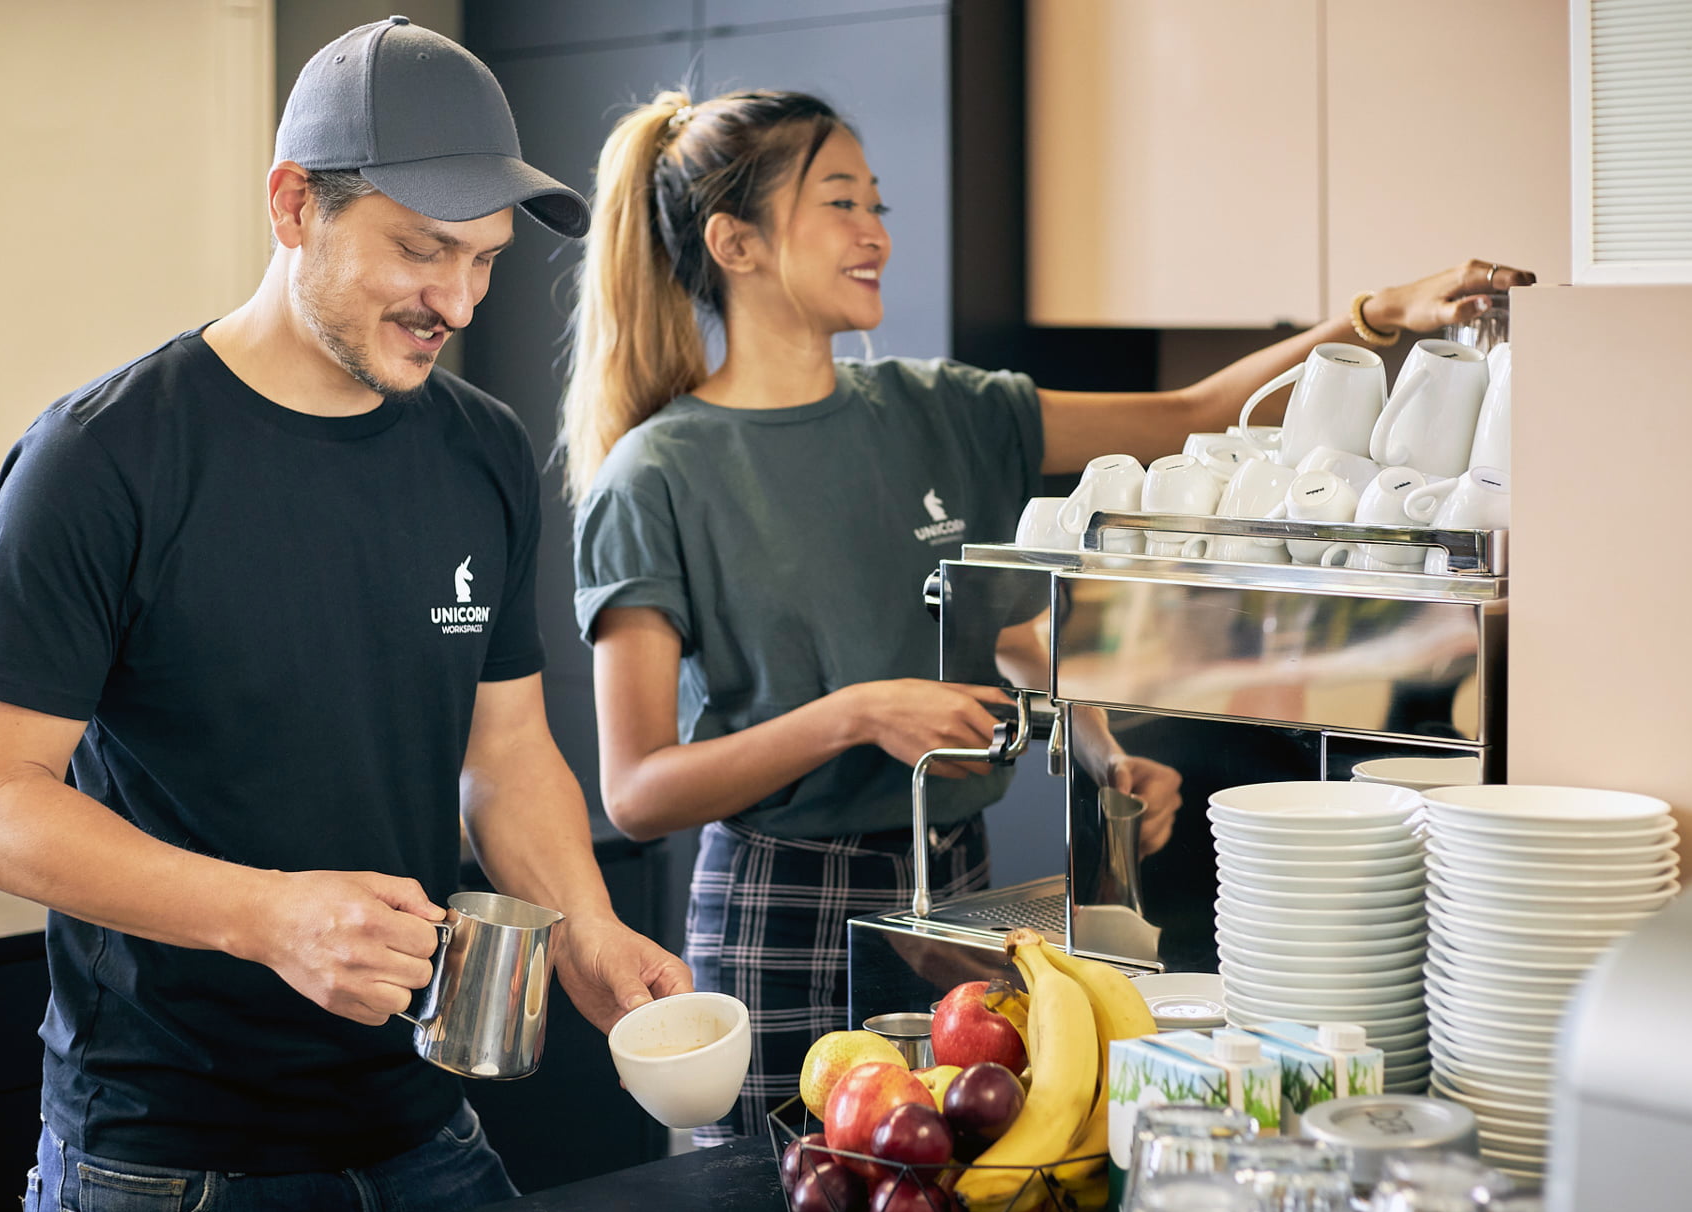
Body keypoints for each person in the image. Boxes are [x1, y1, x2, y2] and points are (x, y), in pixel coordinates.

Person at [559, 88, 1534, 1143]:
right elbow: (640, 787)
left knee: (966, 1203)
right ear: (733, 241)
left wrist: (1100, 747)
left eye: (877, 202)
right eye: (840, 203)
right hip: (779, 908)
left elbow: (1183, 421)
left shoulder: (944, 411)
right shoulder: (654, 474)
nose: (876, 230)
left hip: (959, 890)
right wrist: (853, 714)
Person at [0, 20, 691, 1212]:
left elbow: (504, 758)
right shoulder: (102, 459)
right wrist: (268, 915)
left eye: (486, 259)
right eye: (421, 249)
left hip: (420, 1127)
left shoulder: (485, 451)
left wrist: (588, 929)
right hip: (163, 1169)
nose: (457, 300)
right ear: (294, 206)